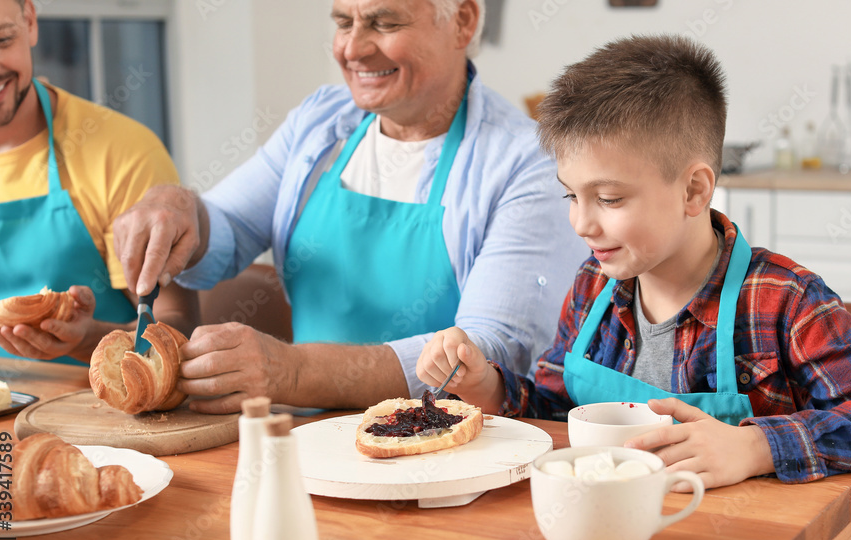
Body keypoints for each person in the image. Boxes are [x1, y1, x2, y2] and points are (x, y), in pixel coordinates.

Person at [415, 35, 851, 540]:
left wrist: (756, 444)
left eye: (609, 199)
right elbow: (556, 408)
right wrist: (492, 391)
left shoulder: (780, 299)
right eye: (571, 195)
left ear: (695, 192)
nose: (582, 224)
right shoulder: (595, 286)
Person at [112, 0, 587, 414]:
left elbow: (492, 350)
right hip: (306, 437)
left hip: (451, 452)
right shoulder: (321, 121)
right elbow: (228, 226)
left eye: (383, 23)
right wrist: (176, 206)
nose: (352, 49)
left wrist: (291, 373)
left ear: (463, 21)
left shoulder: (527, 159)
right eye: (343, 22)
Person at [0, 0, 197, 365]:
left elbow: (181, 325)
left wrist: (86, 340)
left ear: (30, 22)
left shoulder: (123, 151)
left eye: (0, 40)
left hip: (97, 413)